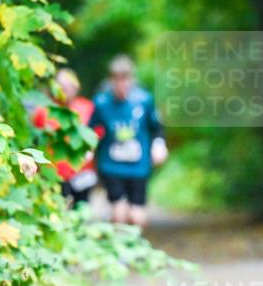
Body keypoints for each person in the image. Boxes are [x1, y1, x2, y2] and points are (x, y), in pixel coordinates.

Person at [89, 55, 168, 227]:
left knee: (137, 216)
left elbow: (157, 127)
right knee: (119, 212)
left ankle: (135, 241)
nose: (121, 85)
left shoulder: (144, 100)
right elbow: (91, 129)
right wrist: (89, 148)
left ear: (132, 79)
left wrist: (159, 145)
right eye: (117, 80)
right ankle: (119, 242)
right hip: (111, 165)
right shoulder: (101, 102)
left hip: (138, 166)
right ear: (111, 80)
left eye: (125, 79)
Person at [32, 68, 97, 207]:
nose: (66, 90)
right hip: (53, 173)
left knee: (81, 210)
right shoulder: (44, 111)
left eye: (69, 85)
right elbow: (36, 142)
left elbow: (97, 135)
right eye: (62, 85)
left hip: (82, 172)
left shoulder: (87, 107)